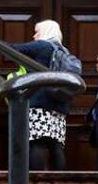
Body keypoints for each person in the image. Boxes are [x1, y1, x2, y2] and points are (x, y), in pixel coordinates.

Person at [11, 20, 73, 170]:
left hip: (39, 102)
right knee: (56, 146)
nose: (34, 36)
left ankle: (36, 181)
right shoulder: (64, 51)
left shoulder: (43, 45)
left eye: (36, 32)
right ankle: (59, 183)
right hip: (59, 104)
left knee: (37, 142)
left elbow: (12, 49)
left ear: (45, 32)